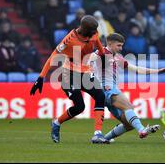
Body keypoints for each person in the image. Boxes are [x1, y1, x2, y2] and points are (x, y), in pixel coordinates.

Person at [30, 15, 109, 144]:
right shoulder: (69, 39)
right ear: (86, 30)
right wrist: (41, 77)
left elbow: (99, 46)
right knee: (79, 107)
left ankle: (97, 134)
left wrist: (103, 56)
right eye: (93, 31)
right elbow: (52, 57)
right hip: (69, 75)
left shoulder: (94, 32)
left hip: (86, 72)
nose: (95, 33)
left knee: (100, 96)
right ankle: (56, 122)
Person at [89, 33, 165, 141]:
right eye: (118, 45)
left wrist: (157, 71)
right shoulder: (100, 53)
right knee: (128, 107)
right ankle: (141, 130)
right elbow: (89, 66)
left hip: (108, 92)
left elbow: (136, 69)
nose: (121, 48)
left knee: (128, 124)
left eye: (122, 46)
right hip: (107, 89)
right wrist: (94, 83)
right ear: (110, 43)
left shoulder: (117, 58)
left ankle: (105, 139)